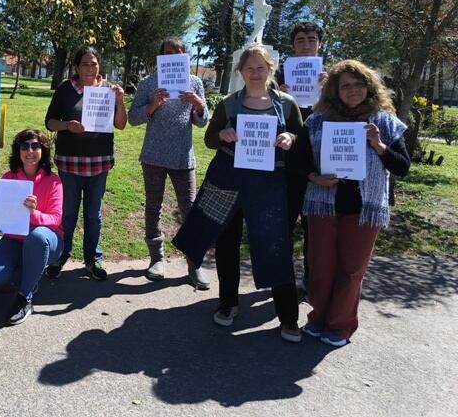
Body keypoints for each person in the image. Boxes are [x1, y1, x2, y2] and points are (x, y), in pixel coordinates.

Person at [173, 45, 304, 343]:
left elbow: (302, 140)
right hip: (229, 182)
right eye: (249, 69)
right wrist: (221, 134)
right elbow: (208, 139)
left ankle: (288, 318)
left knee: (275, 246)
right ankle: (228, 303)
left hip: (270, 186)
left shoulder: (286, 104)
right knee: (226, 244)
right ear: (241, 72)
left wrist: (290, 137)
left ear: (270, 69)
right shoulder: (229, 104)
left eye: (261, 68)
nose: (255, 73)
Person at [296, 60, 409, 347]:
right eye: (346, 85)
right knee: (321, 266)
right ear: (335, 90)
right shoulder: (317, 121)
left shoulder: (384, 121)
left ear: (370, 86)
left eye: (359, 84)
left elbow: (402, 167)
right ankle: (317, 318)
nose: (353, 90)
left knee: (351, 271)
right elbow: (298, 160)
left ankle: (339, 326)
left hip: (364, 207)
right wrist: (313, 176)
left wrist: (379, 146)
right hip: (323, 204)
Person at [128, 38, 210, 287]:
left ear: (185, 55)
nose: (173, 55)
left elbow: (201, 122)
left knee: (190, 209)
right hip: (153, 155)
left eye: (177, 52)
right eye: (168, 52)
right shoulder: (148, 83)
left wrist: (199, 105)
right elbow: (132, 118)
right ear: (161, 56)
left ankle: (194, 264)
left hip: (183, 156)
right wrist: (152, 105)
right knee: (154, 206)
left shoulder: (194, 82)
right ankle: (156, 259)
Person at [44, 46, 127, 281]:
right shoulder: (65, 89)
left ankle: (93, 259)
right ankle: (61, 255)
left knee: (94, 215)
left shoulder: (110, 91)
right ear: (77, 67)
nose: (89, 68)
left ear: (99, 65)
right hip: (70, 164)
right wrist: (67, 125)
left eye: (94, 64)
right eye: (84, 64)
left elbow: (120, 125)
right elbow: (50, 122)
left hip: (99, 164)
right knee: (68, 213)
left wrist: (120, 102)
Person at [0, 129, 63, 325]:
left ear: (43, 150)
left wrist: (33, 214)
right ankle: (29, 274)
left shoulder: (53, 181)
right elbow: (2, 215)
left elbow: (55, 219)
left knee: (37, 237)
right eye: (24, 146)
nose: (30, 151)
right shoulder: (9, 177)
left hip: (47, 240)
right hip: (15, 239)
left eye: (35, 146)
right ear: (18, 151)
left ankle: (24, 297)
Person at [276, 21, 328, 296]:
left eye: (311, 39)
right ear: (293, 45)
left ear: (319, 44)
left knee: (314, 225)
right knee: (285, 220)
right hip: (289, 159)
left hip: (320, 159)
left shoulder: (332, 79)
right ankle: (282, 278)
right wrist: (280, 96)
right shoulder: (279, 76)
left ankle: (311, 279)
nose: (306, 44)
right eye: (300, 40)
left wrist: (330, 92)